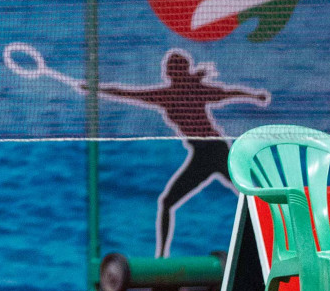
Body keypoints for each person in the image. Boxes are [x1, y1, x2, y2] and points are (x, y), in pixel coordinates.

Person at [96, 49, 269, 256]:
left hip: (216, 150)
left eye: (172, 69)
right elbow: (127, 93)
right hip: (201, 156)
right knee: (167, 202)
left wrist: (254, 96)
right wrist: (95, 89)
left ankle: (273, 242)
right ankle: (161, 258)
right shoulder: (167, 96)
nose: (168, 72)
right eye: (170, 69)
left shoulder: (195, 90)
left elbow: (228, 94)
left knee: (252, 196)